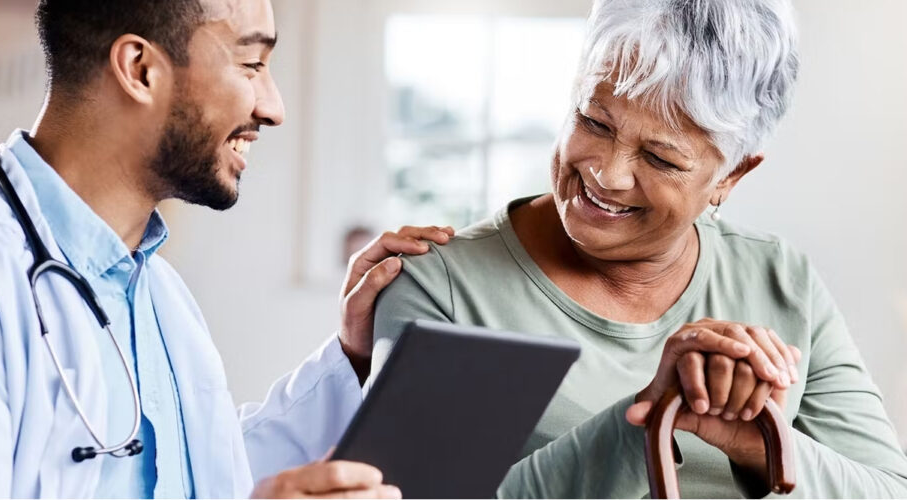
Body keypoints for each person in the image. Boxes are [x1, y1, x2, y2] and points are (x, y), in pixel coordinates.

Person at [0, 0, 456, 497]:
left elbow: (209, 479)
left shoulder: (157, 290)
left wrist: (352, 358)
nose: (273, 107)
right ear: (140, 69)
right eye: (252, 64)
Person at [372, 0, 907, 497]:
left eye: (660, 159)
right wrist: (647, 419)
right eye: (593, 121)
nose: (606, 173)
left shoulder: (781, 277)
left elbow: (888, 489)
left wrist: (756, 442)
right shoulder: (440, 285)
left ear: (732, 176)